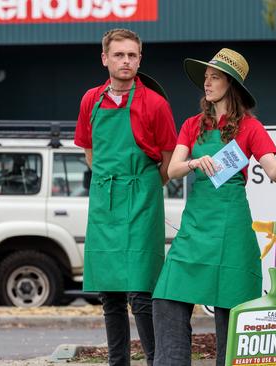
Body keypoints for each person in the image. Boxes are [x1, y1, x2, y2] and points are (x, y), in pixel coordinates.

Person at [151, 48, 276, 366]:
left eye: (215, 77)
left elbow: (274, 172)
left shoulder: (251, 128)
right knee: (167, 297)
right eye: (206, 77)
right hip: (195, 227)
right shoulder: (192, 125)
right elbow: (173, 169)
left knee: (231, 312)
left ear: (230, 84)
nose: (207, 83)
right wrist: (193, 162)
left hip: (231, 228)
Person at [74, 28, 177, 366]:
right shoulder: (91, 99)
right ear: (105, 59)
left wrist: (141, 186)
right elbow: (90, 152)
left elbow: (167, 158)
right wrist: (111, 183)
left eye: (132, 55)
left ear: (139, 59)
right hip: (105, 200)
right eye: (119, 55)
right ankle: (118, 362)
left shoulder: (155, 103)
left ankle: (154, 360)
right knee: (110, 294)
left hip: (142, 198)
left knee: (141, 292)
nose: (126, 61)